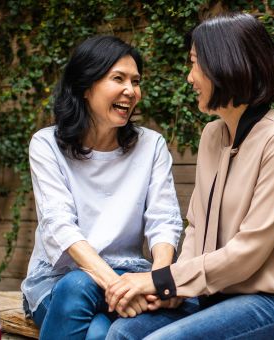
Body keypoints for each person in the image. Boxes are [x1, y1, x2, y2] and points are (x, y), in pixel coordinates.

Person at [105, 12, 274, 339]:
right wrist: (174, 289)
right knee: (124, 332)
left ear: (225, 65)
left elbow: (248, 253)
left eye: (195, 64)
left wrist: (161, 280)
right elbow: (197, 227)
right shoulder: (212, 135)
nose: (190, 78)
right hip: (216, 294)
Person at [20, 35, 183, 340]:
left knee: (99, 332)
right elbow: (59, 225)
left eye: (136, 81)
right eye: (118, 78)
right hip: (58, 282)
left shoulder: (152, 145)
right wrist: (113, 285)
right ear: (85, 87)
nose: (130, 91)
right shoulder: (47, 144)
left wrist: (160, 280)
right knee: (81, 294)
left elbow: (164, 219)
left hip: (129, 274)